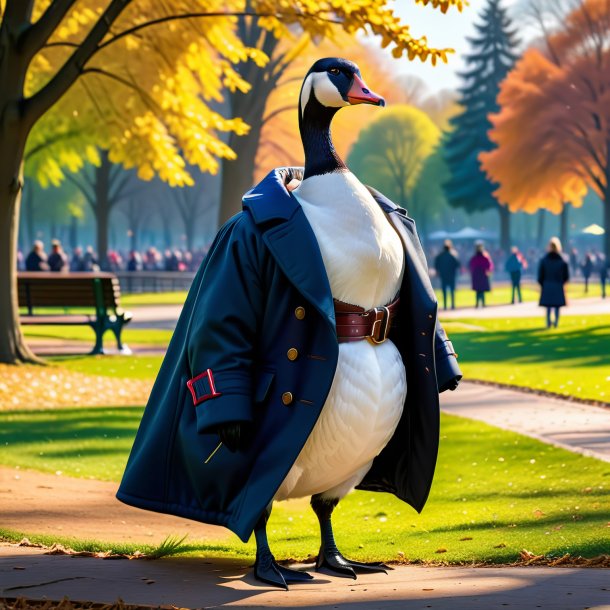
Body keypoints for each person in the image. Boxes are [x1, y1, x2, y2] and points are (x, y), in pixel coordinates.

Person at [538, 236, 569, 328]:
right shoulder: (562, 260)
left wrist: (543, 284)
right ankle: (556, 322)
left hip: (547, 284)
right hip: (558, 284)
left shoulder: (544, 260)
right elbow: (566, 276)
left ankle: (548, 322)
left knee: (548, 305)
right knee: (557, 305)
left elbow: (540, 275)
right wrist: (561, 283)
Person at [434, 239, 460, 310]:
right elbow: (457, 265)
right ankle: (452, 305)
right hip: (451, 275)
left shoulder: (440, 256)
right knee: (452, 291)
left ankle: (445, 306)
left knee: (444, 291)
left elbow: (436, 265)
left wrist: (438, 272)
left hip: (443, 275)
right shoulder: (453, 255)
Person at [469, 242, 494, 308]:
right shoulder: (484, 257)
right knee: (481, 290)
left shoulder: (475, 258)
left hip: (477, 275)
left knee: (478, 290)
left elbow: (471, 266)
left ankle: (478, 303)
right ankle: (482, 303)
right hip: (481, 274)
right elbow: (489, 265)